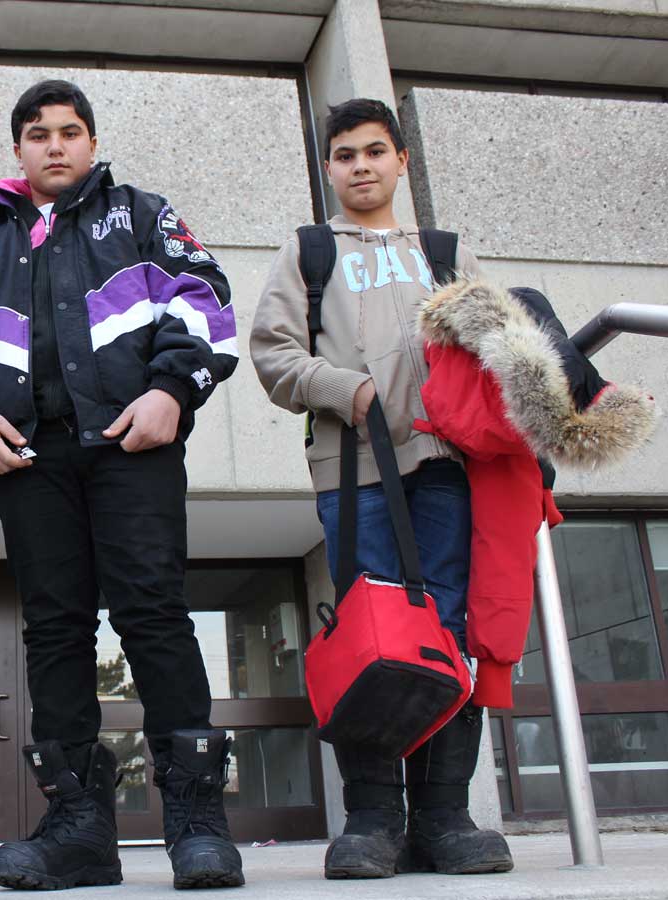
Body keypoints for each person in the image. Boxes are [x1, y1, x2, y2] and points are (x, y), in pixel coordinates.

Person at [0, 79, 244, 891]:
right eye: (38, 134)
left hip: (132, 444)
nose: (55, 145)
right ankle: (78, 827)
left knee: (154, 614)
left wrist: (173, 390)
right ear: (18, 150)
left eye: (69, 132)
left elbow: (204, 301)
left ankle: (197, 821)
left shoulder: (140, 213)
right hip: (31, 459)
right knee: (56, 630)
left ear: (92, 144)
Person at [250, 98, 513, 879]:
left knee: (448, 626)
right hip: (356, 469)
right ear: (328, 169)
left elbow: (499, 347)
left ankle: (444, 818)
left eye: (374, 151)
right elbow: (272, 354)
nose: (360, 166)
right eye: (344, 155)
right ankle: (371, 821)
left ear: (402, 161)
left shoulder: (444, 251)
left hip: (445, 466)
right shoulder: (307, 252)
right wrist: (348, 390)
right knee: (374, 631)